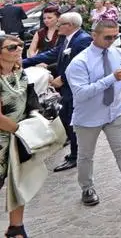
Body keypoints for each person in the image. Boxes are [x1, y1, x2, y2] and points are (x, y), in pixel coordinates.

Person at [66, 19, 121, 206]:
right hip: (89, 116)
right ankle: (87, 188)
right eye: (107, 37)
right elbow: (80, 94)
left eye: (115, 36)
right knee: (86, 155)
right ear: (94, 35)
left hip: (116, 110)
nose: (112, 40)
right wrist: (111, 78)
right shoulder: (79, 62)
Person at [21, 12, 92, 173]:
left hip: (74, 89)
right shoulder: (68, 39)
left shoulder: (83, 40)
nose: (57, 26)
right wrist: (23, 62)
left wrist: (63, 78)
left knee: (72, 122)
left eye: (61, 24)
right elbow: (53, 53)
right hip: (66, 89)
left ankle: (77, 156)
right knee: (66, 120)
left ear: (71, 26)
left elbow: (81, 65)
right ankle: (76, 153)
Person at [0, 34, 44, 238]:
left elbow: (31, 98)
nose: (18, 49)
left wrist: (36, 117)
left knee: (19, 182)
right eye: (11, 48)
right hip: (5, 138)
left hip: (19, 135)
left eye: (20, 46)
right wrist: (20, 129)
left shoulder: (20, 73)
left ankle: (16, 228)